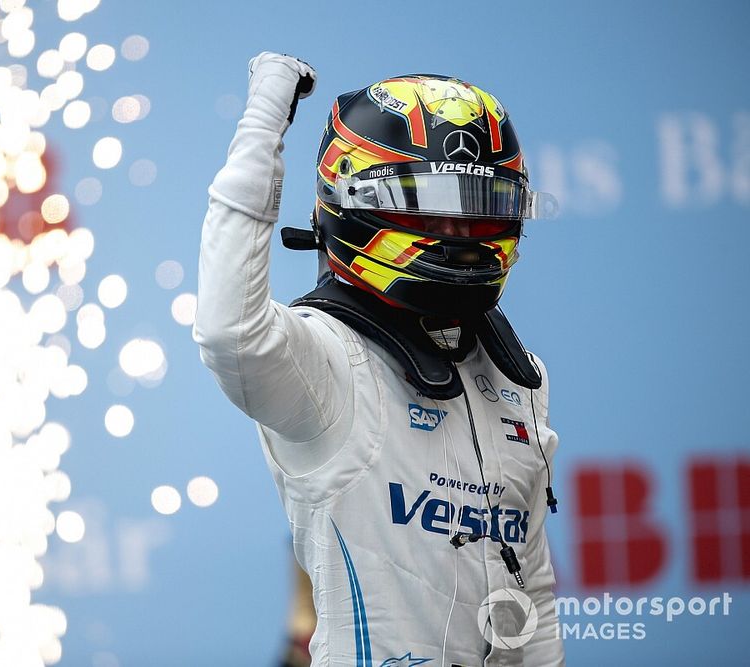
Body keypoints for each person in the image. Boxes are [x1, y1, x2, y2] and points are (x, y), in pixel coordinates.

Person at [195, 52, 565, 666]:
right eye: (439, 207)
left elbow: (535, 598)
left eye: (485, 207)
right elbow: (229, 332)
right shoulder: (325, 359)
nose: (465, 232)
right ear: (355, 202)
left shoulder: (518, 373)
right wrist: (263, 121)